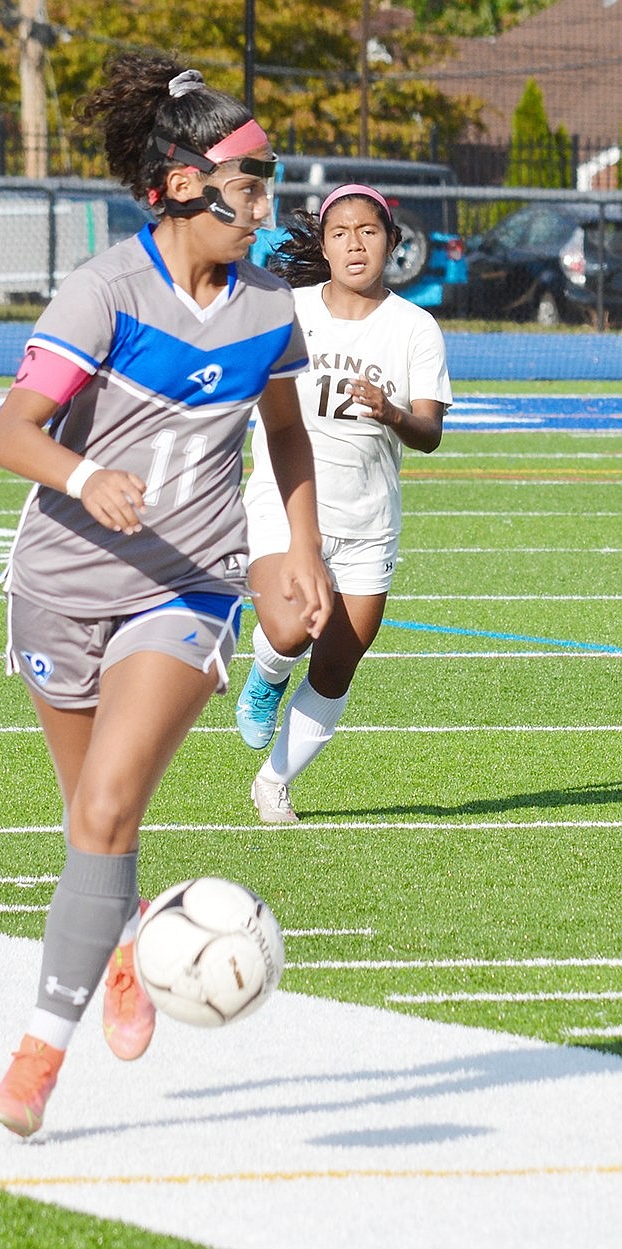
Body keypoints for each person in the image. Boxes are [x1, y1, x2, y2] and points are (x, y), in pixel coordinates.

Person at [0, 49, 332, 1137]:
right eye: (252, 179)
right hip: (56, 586)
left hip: (184, 588)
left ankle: (35, 1061)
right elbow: (11, 434)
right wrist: (88, 476)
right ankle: (127, 936)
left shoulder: (270, 303)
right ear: (183, 183)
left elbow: (284, 436)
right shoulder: (103, 291)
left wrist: (299, 552)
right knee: (91, 824)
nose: (267, 202)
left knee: (107, 808)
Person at [236, 184, 452, 822]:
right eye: (339, 233)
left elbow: (431, 433)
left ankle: (274, 784)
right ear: (323, 245)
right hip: (284, 502)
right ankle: (267, 676)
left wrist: (391, 412)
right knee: (288, 628)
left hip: (369, 522)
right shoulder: (288, 309)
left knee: (336, 665)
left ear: (391, 240)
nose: (354, 244)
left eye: (368, 231)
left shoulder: (416, 327)